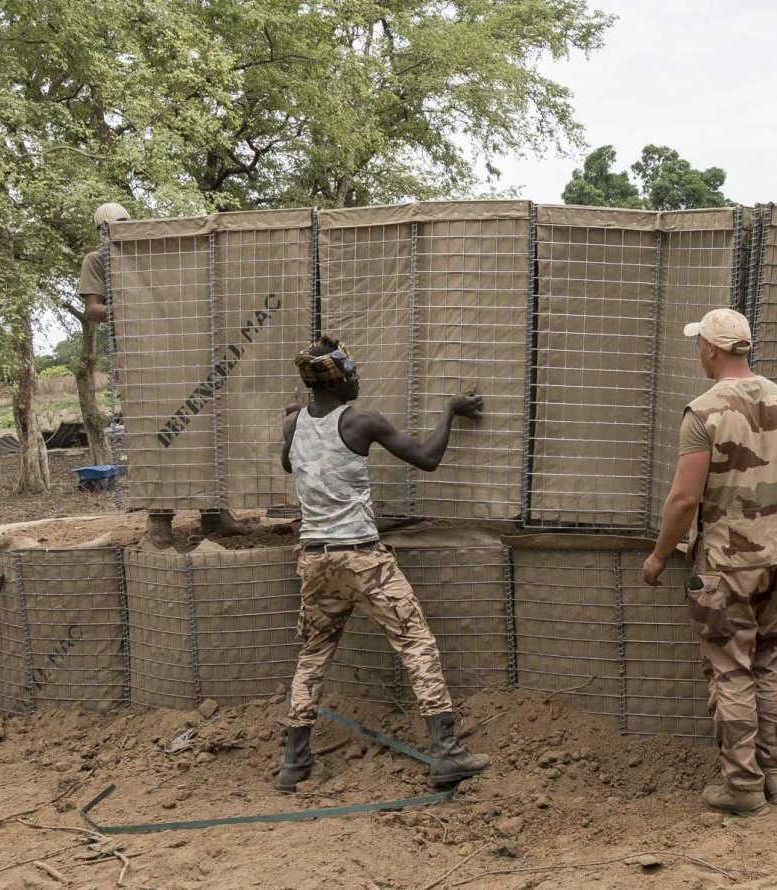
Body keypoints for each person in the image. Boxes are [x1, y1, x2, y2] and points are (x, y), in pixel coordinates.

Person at [275, 336, 490, 792]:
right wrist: (451, 410)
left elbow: (289, 465)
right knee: (416, 644)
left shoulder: (294, 424)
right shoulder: (361, 422)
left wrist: (291, 422)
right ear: (339, 380)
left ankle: (294, 764)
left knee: (312, 656)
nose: (358, 378)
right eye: (352, 373)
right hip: (363, 559)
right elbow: (427, 459)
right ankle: (447, 752)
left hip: (315, 561)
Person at [643, 308, 777, 817]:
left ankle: (743, 787)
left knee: (732, 671)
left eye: (699, 343)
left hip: (728, 564)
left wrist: (659, 556)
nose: (698, 350)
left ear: (711, 350)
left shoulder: (704, 412)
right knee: (771, 662)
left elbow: (683, 500)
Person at [79, 202, 248, 545]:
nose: (120, 230)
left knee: (205, 425)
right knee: (154, 433)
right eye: (113, 226)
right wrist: (128, 308)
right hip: (142, 359)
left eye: (126, 223)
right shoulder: (96, 260)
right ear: (101, 231)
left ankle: (213, 512)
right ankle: (159, 515)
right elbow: (94, 309)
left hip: (188, 350)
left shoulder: (152, 252)